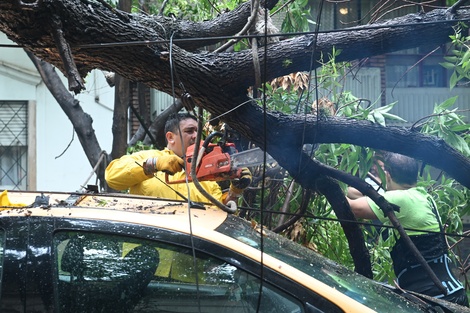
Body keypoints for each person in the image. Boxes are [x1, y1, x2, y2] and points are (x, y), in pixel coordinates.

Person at [347, 152, 468, 306]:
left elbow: (354, 208)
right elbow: (358, 194)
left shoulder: (400, 199)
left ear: (387, 175)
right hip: (450, 295)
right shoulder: (421, 196)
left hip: (434, 301)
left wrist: (326, 182)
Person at [105, 112, 251, 205]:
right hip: (145, 250)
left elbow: (221, 212)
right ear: (170, 137)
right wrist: (154, 164)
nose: (195, 136)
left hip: (190, 252)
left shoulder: (203, 173)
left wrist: (234, 192)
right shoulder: (147, 156)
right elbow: (112, 178)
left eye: (197, 131)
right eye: (189, 131)